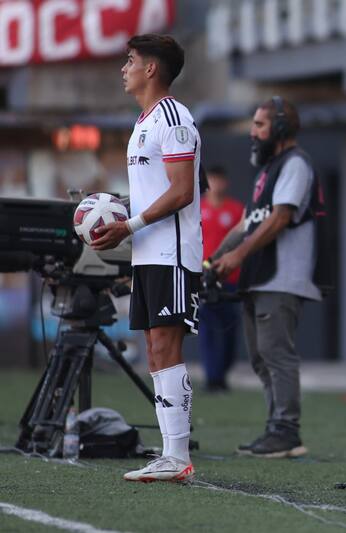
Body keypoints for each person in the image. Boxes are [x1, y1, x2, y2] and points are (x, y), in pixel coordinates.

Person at [93, 34, 201, 482]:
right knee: (155, 352)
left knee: (165, 347)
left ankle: (178, 457)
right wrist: (113, 213)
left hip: (172, 253)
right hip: (148, 253)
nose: (124, 68)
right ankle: (170, 456)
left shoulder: (174, 118)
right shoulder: (144, 121)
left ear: (151, 68)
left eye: (131, 60)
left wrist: (129, 225)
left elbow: (182, 190)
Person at [212, 96, 319, 458]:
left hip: (281, 277)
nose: (253, 133)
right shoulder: (268, 169)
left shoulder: (295, 164)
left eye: (259, 125)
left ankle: (286, 430)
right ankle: (276, 428)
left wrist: (238, 255)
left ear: (282, 128)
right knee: (261, 357)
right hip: (260, 278)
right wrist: (214, 261)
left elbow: (280, 218)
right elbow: (248, 224)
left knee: (276, 355)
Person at [199, 166, 244, 392]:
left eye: (220, 180)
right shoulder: (197, 209)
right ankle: (212, 377)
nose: (216, 185)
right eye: (212, 180)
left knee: (229, 327)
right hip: (205, 277)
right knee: (207, 326)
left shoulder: (236, 210)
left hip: (230, 277)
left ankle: (223, 371)